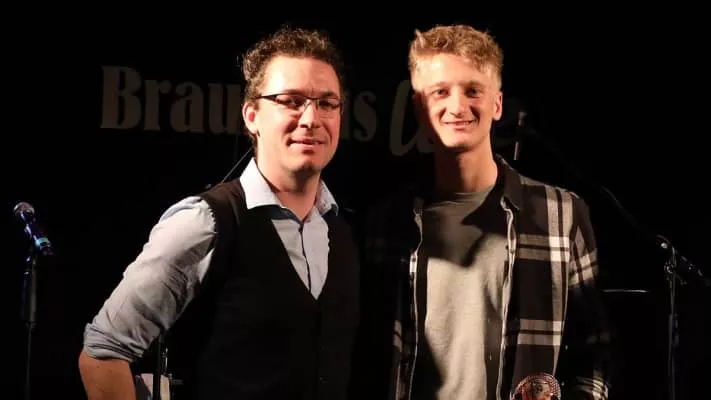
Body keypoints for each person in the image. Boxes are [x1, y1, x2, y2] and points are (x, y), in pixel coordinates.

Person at [78, 26, 360, 400]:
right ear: (252, 116)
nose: (311, 118)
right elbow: (102, 353)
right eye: (291, 101)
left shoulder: (339, 231)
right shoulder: (206, 221)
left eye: (326, 103)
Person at [352, 24, 611, 400]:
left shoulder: (561, 215)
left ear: (497, 104)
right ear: (420, 107)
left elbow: (596, 352)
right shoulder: (386, 223)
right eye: (440, 92)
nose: (457, 106)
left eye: (473, 90)